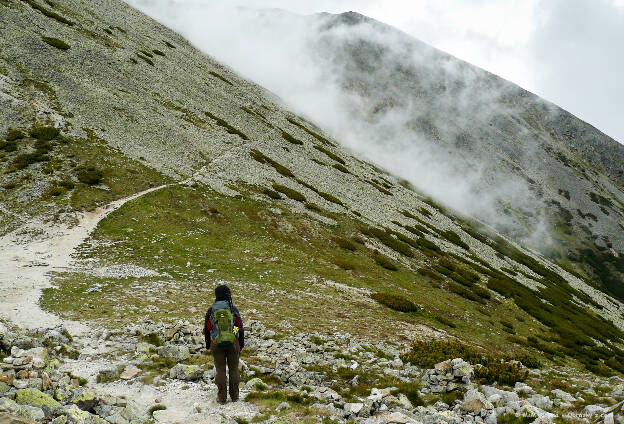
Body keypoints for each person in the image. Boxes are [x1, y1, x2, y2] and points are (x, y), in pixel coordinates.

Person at [203, 284, 244, 404]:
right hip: (233, 343)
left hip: (216, 343)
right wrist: (237, 339)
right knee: (234, 369)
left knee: (220, 370)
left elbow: (207, 328)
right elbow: (239, 326)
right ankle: (235, 396)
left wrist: (208, 345)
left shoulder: (211, 310)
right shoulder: (232, 309)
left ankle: (222, 397)